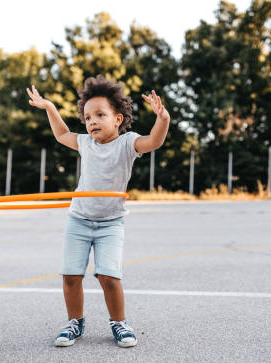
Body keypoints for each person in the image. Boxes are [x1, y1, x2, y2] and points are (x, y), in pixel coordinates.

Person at [26, 76, 169, 347]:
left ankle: (119, 323)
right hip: (78, 219)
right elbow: (61, 134)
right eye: (88, 116)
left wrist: (162, 119)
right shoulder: (85, 143)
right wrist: (50, 108)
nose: (92, 121)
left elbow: (154, 142)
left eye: (100, 115)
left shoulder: (128, 143)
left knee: (109, 277)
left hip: (110, 223)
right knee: (70, 276)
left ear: (117, 119)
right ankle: (74, 323)